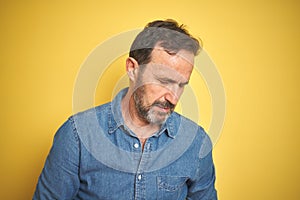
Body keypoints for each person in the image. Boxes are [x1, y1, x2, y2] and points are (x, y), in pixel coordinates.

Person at [33, 19, 218, 199]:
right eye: (164, 81)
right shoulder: (77, 136)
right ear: (132, 69)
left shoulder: (196, 142)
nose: (173, 97)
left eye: (181, 85)